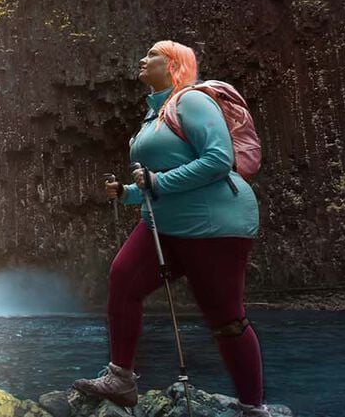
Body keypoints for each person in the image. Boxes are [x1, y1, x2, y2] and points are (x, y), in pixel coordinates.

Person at [70, 40, 268, 417]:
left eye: (152, 55)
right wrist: (129, 191)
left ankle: (253, 407)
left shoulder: (192, 101)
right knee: (123, 278)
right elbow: (154, 178)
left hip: (214, 224)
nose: (142, 60)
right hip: (164, 223)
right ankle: (121, 378)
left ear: (174, 64)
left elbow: (218, 159)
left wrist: (156, 183)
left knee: (225, 317)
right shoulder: (153, 114)